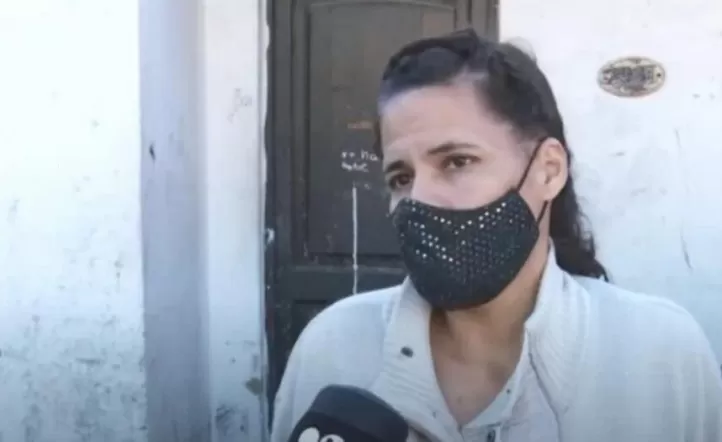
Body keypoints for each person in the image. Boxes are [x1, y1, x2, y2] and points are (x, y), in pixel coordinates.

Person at [270, 29, 722, 442]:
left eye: (457, 162)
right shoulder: (333, 348)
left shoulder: (660, 356)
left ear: (549, 171)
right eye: (401, 178)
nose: (418, 199)